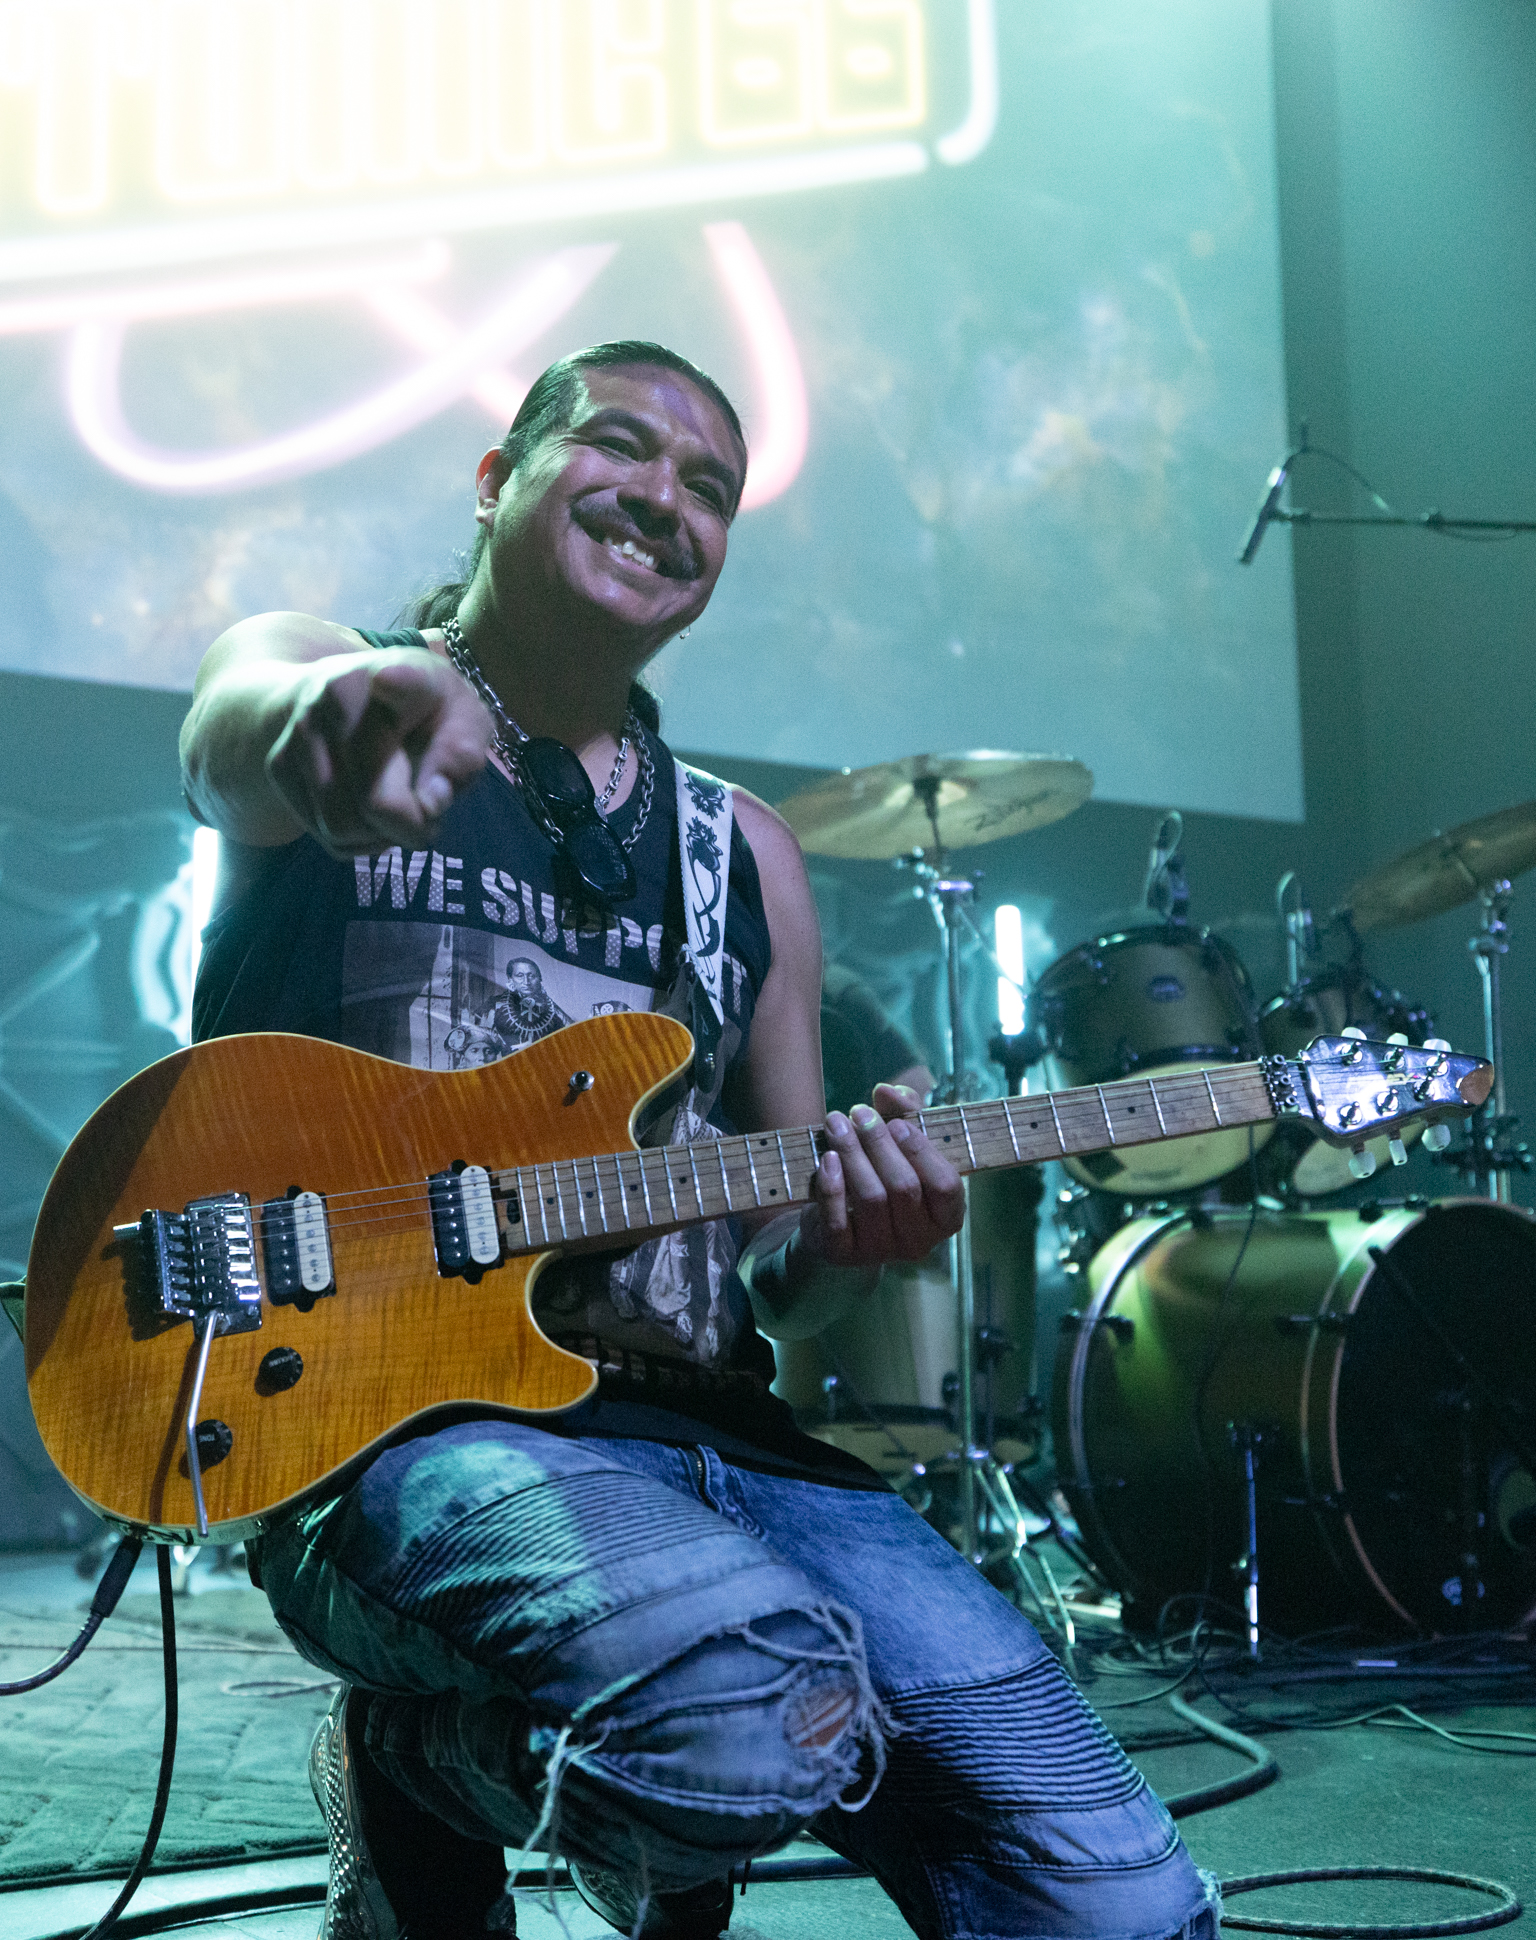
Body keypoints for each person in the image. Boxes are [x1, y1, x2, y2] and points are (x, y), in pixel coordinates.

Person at [180, 342, 1217, 1940]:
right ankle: (422, 1766)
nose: (666, 497)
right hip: (399, 1434)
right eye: (620, 446)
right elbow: (233, 727)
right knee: (742, 1730)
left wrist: (853, 1237)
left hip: (720, 1436)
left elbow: (782, 1279)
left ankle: (534, 1756)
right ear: (496, 481)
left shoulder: (747, 855)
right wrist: (319, 716)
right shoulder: (336, 679)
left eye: (712, 489)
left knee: (1126, 1909)